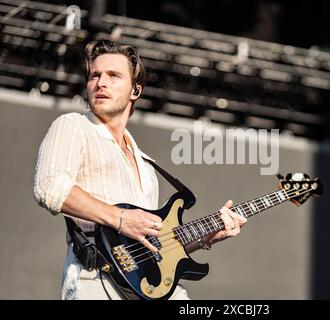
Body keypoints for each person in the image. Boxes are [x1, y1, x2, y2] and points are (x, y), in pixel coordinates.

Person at [33, 39, 247, 300]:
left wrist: (208, 236)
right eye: (94, 75)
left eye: (113, 76)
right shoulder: (74, 126)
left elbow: (153, 244)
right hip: (95, 282)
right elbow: (49, 186)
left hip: (148, 288)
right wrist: (120, 219)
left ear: (135, 90)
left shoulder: (146, 165)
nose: (100, 82)